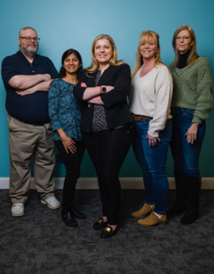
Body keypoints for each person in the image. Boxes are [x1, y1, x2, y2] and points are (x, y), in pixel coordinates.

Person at [73, 34, 132, 238]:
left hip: (115, 131)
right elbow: (78, 95)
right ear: (94, 51)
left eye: (106, 47)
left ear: (112, 49)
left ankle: (114, 221)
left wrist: (91, 94)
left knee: (109, 175)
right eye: (98, 47)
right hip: (91, 132)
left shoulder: (121, 68)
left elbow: (119, 95)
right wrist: (103, 90)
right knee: (102, 176)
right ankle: (106, 215)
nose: (102, 50)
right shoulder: (87, 72)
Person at [1, 27, 60, 217]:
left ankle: (47, 193)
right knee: (19, 164)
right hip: (21, 125)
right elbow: (16, 82)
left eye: (35, 38)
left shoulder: (46, 61)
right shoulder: (10, 61)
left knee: (46, 161)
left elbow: (57, 85)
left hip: (46, 125)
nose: (32, 41)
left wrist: (34, 86)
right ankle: (18, 199)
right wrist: (43, 77)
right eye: (27, 38)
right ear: (19, 41)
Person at [167, 25, 213, 225]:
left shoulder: (201, 63)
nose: (182, 41)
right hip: (173, 118)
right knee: (178, 164)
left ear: (192, 41)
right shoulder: (171, 66)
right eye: (179, 38)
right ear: (175, 41)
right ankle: (181, 202)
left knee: (190, 166)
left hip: (190, 118)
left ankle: (193, 208)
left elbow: (205, 94)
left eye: (186, 38)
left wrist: (195, 123)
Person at [129, 30, 173, 226]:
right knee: (146, 170)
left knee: (157, 171)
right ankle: (151, 203)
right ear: (139, 48)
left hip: (153, 125)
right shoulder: (137, 72)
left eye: (151, 43)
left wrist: (153, 130)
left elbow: (163, 104)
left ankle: (161, 213)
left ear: (157, 47)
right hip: (136, 124)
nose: (146, 47)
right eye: (143, 44)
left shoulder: (161, 70)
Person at [48, 48, 86, 227]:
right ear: (63, 63)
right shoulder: (56, 84)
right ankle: (66, 211)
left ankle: (70, 206)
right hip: (64, 136)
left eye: (75, 60)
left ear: (79, 63)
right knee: (73, 171)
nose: (71, 63)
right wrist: (64, 137)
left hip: (81, 135)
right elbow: (52, 112)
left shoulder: (83, 83)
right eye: (67, 60)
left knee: (75, 172)